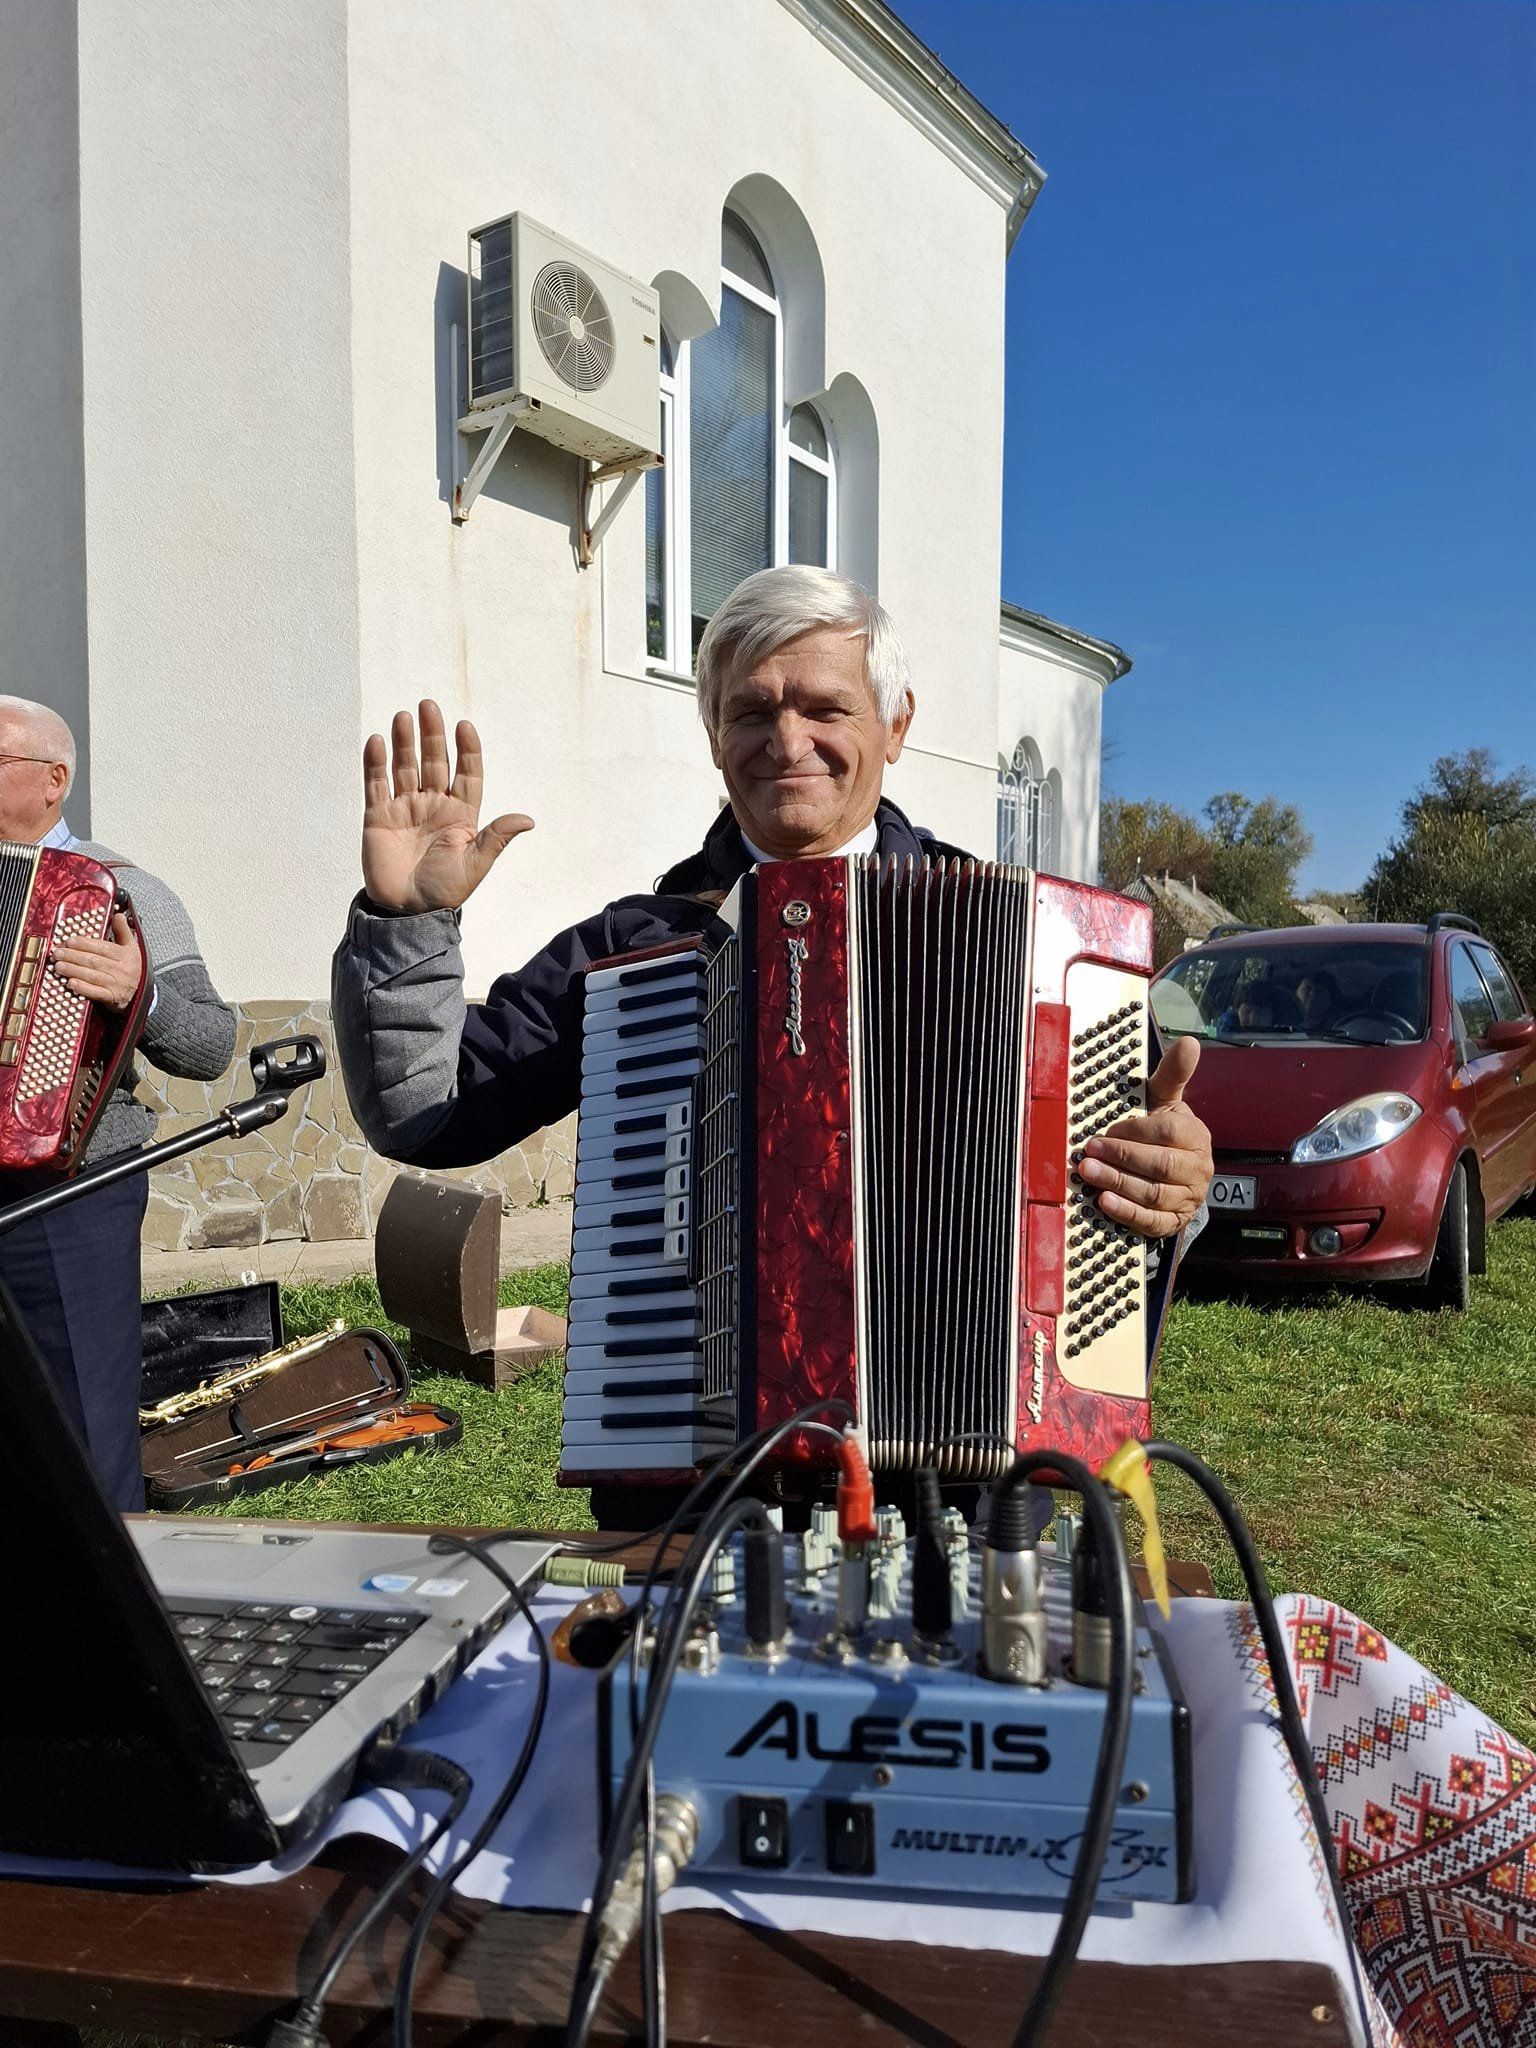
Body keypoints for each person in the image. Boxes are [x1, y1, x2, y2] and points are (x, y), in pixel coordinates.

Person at [333, 567, 1214, 1519]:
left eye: (825, 707)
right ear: (714, 737)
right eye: (751, 711)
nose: (786, 741)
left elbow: (1133, 1163)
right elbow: (430, 1115)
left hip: (966, 1501)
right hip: (702, 1495)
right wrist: (406, 919)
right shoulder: (640, 944)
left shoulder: (1042, 946)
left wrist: (1173, 1184)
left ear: (897, 726)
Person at [0, 697, 235, 1511]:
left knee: (88, 1443)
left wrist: (144, 996)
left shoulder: (126, 891)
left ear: (53, 780)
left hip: (67, 1198)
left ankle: (108, 1620)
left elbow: (209, 1043)